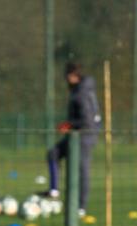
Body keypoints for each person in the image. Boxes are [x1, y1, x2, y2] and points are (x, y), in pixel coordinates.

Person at [41, 62, 101, 218]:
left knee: (82, 170)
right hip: (75, 136)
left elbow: (87, 120)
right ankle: (54, 190)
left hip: (85, 136)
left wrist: (68, 124)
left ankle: (81, 207)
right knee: (53, 154)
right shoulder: (79, 89)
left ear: (73, 75)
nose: (66, 80)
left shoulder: (81, 93)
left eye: (67, 77)